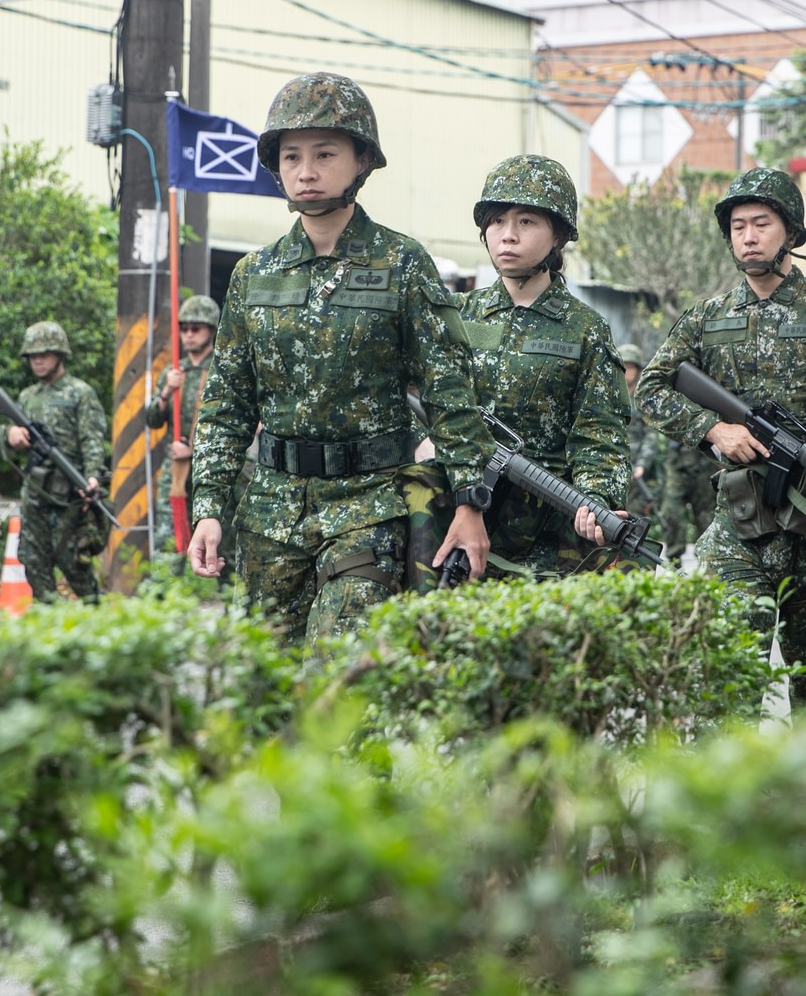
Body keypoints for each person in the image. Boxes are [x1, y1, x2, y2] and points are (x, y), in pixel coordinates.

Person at [186, 73, 494, 642]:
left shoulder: (402, 263)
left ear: (361, 161)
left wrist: (469, 503)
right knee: (263, 691)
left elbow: (451, 393)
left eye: (325, 153)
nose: (306, 170)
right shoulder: (255, 274)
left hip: (368, 509)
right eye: (292, 156)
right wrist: (208, 506)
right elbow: (225, 405)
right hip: (270, 514)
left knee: (337, 687)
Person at [637, 168, 806, 715]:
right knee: (726, 686)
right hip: (739, 527)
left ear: (791, 231)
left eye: (761, 223)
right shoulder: (708, 317)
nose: (748, 236)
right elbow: (651, 389)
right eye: (737, 226)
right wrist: (713, 429)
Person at [459, 156, 629, 578]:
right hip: (462, 518)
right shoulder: (460, 315)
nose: (508, 236)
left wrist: (595, 499)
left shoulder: (585, 330)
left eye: (526, 222)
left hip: (545, 539)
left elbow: (600, 435)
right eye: (497, 221)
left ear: (558, 235)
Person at [0, 321, 108, 603]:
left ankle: (98, 625)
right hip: (35, 495)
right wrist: (11, 435)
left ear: (59, 354)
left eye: (44, 354)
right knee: (33, 563)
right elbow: (8, 440)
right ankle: (50, 626)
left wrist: (93, 476)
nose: (37, 360)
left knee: (76, 566)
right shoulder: (27, 397)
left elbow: (93, 440)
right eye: (32, 356)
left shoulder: (80, 393)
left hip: (69, 497)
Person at [144, 295, 219, 550]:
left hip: (212, 470)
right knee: (169, 540)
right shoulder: (174, 371)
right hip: (175, 471)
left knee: (216, 544)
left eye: (195, 329)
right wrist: (166, 391)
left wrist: (195, 450)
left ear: (210, 329)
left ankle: (208, 590)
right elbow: (152, 420)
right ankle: (167, 588)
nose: (188, 335)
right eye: (184, 329)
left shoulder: (222, 370)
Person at [617, 344, 663, 521]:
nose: (628, 371)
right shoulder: (610, 394)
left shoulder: (643, 398)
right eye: (624, 366)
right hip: (614, 462)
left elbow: (651, 435)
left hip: (636, 468)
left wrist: (642, 464)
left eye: (631, 367)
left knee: (633, 516)